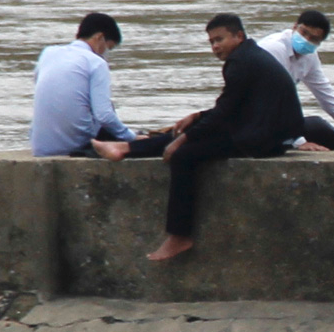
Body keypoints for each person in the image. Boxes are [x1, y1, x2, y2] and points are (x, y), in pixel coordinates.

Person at [91, 13, 302, 262]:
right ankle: (125, 147)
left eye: (220, 39)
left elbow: (225, 113)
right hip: (265, 131)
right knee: (188, 131)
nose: (215, 47)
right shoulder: (249, 56)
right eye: (211, 42)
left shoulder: (241, 62)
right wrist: (197, 117)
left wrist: (184, 139)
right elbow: (231, 107)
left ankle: (180, 235)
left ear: (239, 36)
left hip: (265, 139)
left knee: (184, 155)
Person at [255, 9, 334, 151]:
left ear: (320, 42)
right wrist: (299, 141)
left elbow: (325, 94)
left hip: (273, 119)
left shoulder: (309, 56)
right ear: (295, 27)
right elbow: (273, 99)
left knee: (317, 126)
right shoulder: (274, 49)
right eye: (304, 33)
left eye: (313, 39)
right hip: (255, 118)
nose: (306, 40)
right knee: (315, 126)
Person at [28, 12, 137, 156]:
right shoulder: (96, 62)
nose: (105, 54)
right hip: (74, 145)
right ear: (99, 37)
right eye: (108, 48)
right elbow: (104, 115)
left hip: (40, 147)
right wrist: (132, 138)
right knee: (108, 109)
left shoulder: (48, 53)